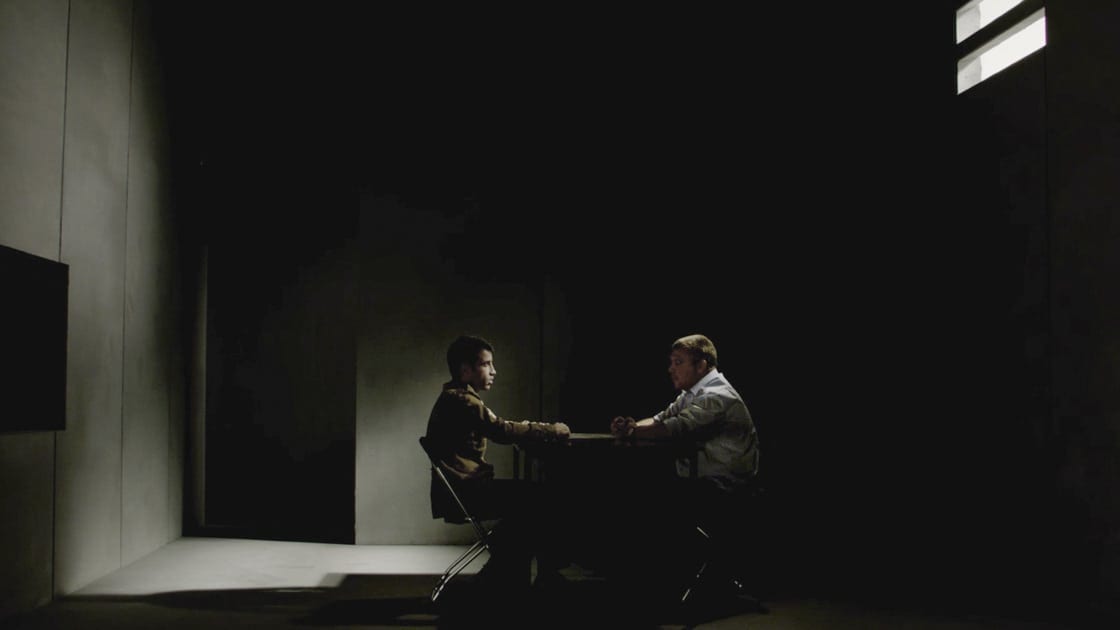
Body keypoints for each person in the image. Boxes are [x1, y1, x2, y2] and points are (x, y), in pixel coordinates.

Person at [608, 333, 761, 599]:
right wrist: (631, 426)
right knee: (640, 492)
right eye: (671, 362)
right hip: (705, 482)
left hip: (725, 488)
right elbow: (660, 419)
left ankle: (651, 582)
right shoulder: (692, 394)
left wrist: (631, 432)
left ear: (701, 365)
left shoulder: (717, 395)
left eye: (678, 362)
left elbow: (674, 427)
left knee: (640, 499)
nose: (671, 369)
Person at [424, 334, 572, 592]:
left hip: (463, 490)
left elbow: (500, 427)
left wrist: (528, 428)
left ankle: (505, 575)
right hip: (469, 491)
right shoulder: (462, 400)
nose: (494, 371)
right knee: (540, 498)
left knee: (530, 503)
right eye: (486, 364)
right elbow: (501, 430)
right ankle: (537, 575)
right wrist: (549, 430)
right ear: (465, 370)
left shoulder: (456, 398)